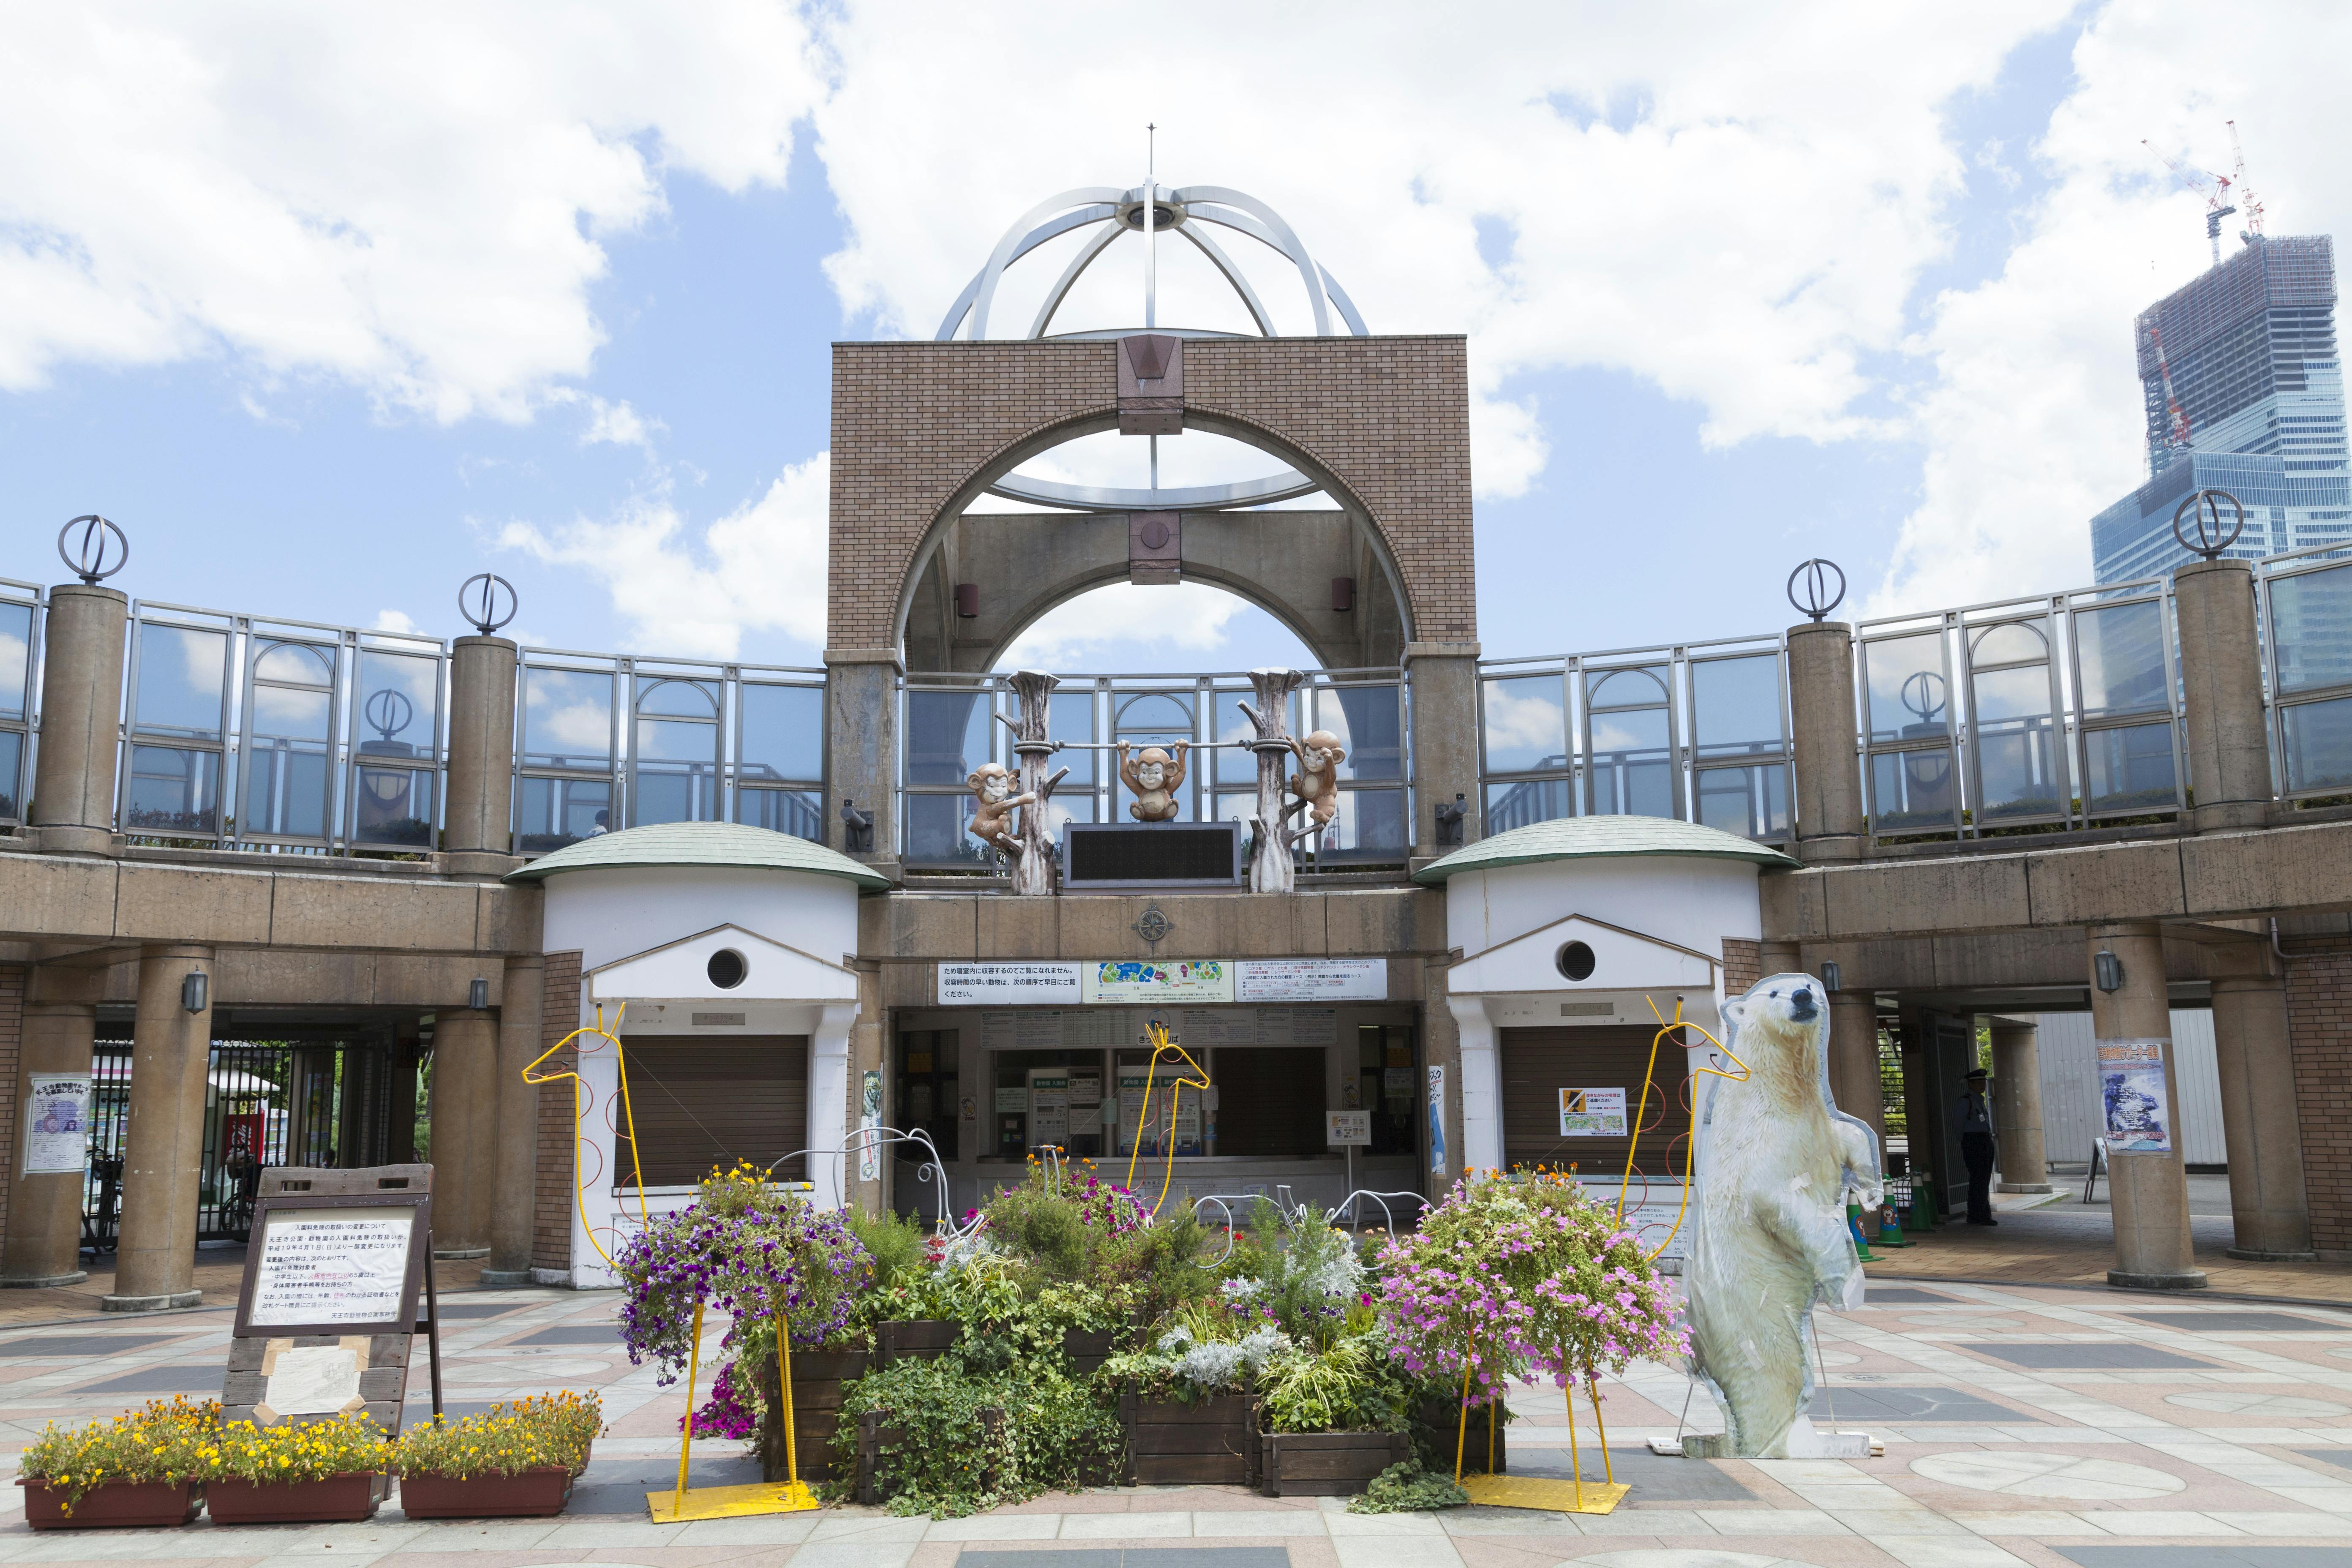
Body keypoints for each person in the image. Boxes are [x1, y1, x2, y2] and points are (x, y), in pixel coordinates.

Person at [1957, 1066, 1997, 1226]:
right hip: (1973, 1142)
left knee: (1984, 1180)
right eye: (1978, 1082)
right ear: (1970, 1084)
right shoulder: (1965, 1102)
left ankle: (1983, 1214)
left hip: (1985, 1140)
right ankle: (1976, 1215)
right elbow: (1958, 1125)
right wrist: (1963, 1143)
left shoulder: (1979, 1101)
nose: (1983, 1085)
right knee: (1978, 1180)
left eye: (1983, 1082)